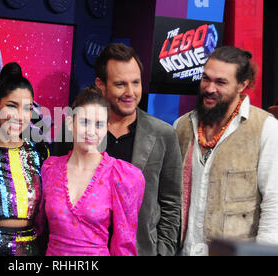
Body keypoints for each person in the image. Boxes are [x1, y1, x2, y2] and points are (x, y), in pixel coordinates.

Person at [174, 46, 278, 256]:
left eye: (221, 82)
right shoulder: (182, 126)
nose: (210, 88)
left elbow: (274, 204)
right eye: (206, 79)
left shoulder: (265, 128)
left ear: (243, 84)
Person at [94, 43, 182, 256]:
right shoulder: (78, 132)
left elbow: (171, 204)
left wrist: (163, 252)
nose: (130, 92)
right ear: (101, 85)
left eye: (136, 82)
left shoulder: (164, 134)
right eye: (120, 84)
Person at [39, 86, 145, 256]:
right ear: (69, 123)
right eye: (84, 122)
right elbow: (38, 229)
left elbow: (125, 242)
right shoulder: (50, 170)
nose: (91, 131)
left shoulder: (119, 175)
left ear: (106, 128)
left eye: (99, 124)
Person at [0, 62, 49, 256]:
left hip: (30, 250)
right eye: (12, 106)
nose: (20, 116)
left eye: (27, 108)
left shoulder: (38, 152)